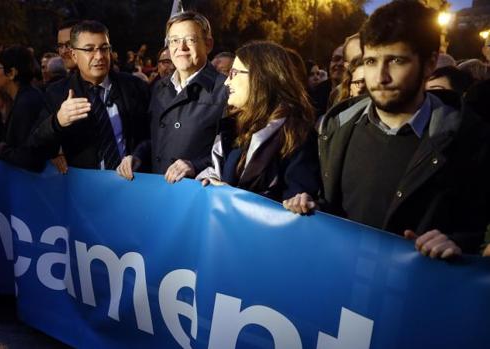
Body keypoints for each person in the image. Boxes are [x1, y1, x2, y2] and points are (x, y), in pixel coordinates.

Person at [284, 0, 490, 259]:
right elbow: (326, 202)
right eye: (370, 61)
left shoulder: (469, 139)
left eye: (395, 60)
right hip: (336, 287)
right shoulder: (336, 126)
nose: (380, 77)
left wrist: (456, 245)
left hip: (417, 294)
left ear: (429, 63)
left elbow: (474, 231)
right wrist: (304, 205)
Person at [196, 41, 321, 201]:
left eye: (233, 73)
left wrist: (233, 196)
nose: (227, 82)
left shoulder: (296, 134)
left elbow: (296, 203)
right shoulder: (234, 127)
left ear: (260, 76)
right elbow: (219, 174)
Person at [116, 11, 227, 183]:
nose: (181, 48)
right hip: (159, 195)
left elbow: (235, 153)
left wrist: (196, 166)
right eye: (174, 40)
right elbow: (154, 139)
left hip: (199, 198)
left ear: (208, 44)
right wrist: (137, 156)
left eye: (190, 40)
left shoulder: (226, 90)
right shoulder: (160, 87)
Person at [28, 20, 150, 171]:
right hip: (84, 190)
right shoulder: (56, 93)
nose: (99, 56)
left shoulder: (135, 87)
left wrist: (138, 155)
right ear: (74, 55)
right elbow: (33, 146)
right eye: (89, 49)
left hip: (132, 185)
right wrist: (58, 121)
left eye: (104, 48)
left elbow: (152, 136)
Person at [0, 45, 47, 171]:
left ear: (12, 73)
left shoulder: (26, 103)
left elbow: (28, 157)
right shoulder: (25, 98)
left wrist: (2, 150)